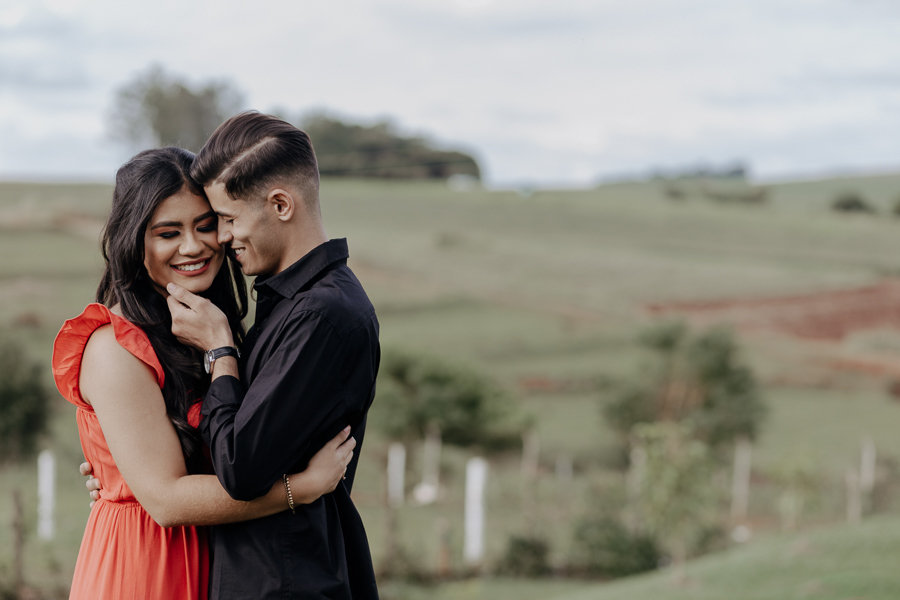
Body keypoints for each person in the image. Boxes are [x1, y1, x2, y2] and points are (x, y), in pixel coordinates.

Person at [53, 146, 356, 600]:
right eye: (167, 232)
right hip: (146, 565)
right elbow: (167, 500)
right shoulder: (114, 346)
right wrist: (301, 488)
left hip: (217, 554)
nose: (193, 246)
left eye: (206, 224)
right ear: (134, 241)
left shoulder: (210, 330)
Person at [163, 111, 380, 599]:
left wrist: (221, 350)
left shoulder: (322, 317)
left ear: (281, 204)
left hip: (286, 584)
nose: (221, 237)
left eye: (228, 218)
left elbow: (239, 467)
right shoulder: (290, 302)